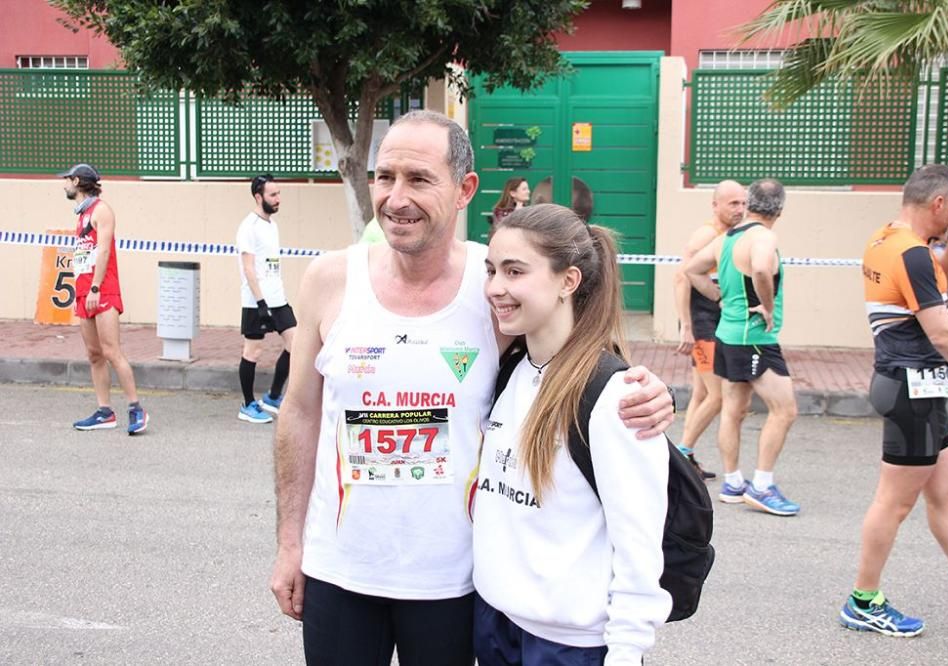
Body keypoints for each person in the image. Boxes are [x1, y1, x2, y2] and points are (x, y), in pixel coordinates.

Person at [268, 110, 675, 666]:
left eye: (418, 179)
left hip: (454, 584)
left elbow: (574, 354)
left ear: (464, 190)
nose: (395, 197)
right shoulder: (329, 279)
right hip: (340, 569)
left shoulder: (497, 281)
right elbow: (299, 414)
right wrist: (290, 542)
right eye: (384, 177)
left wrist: (648, 389)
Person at [474, 204, 671, 665]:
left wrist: (626, 652)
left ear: (569, 281)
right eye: (490, 271)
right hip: (496, 623)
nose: (495, 288)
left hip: (571, 645)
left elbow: (639, 544)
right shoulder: (509, 373)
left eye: (515, 271)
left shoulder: (616, 396)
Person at [839, 164, 948, 637]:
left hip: (923, 388)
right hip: (911, 386)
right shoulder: (908, 253)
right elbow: (943, 331)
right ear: (939, 204)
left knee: (947, 494)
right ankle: (863, 599)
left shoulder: (889, 239)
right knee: (893, 502)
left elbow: (940, 288)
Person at [685, 178, 799, 517]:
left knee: (734, 408)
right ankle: (762, 486)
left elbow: (691, 268)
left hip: (728, 333)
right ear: (779, 208)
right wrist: (766, 305)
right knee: (785, 410)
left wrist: (717, 295)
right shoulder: (763, 236)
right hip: (754, 339)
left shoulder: (728, 238)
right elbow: (763, 267)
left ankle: (734, 483)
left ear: (748, 204)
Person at [60, 164, 149, 435]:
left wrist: (96, 288)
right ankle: (104, 411)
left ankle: (136, 409)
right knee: (94, 354)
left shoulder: (101, 210)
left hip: (102, 290)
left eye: (67, 180)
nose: (64, 185)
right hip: (85, 290)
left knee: (111, 350)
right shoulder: (82, 213)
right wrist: (84, 289)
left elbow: (104, 250)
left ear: (77, 181)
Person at [673, 180, 746, 479]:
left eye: (743, 203)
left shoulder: (731, 235)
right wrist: (686, 327)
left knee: (702, 394)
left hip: (715, 321)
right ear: (715, 205)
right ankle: (680, 453)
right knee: (718, 397)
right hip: (703, 324)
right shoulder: (707, 234)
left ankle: (686, 462)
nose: (740, 209)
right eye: (733, 204)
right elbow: (680, 278)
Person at [236, 174, 296, 424]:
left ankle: (272, 396)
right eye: (273, 195)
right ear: (258, 197)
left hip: (278, 297)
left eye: (279, 194)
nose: (278, 199)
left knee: (296, 344)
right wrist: (261, 304)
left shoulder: (272, 225)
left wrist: (274, 297)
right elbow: (249, 268)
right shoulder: (248, 227)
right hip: (255, 301)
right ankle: (248, 404)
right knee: (253, 350)